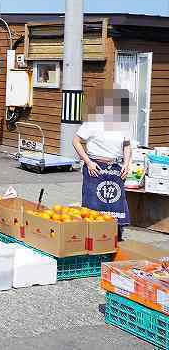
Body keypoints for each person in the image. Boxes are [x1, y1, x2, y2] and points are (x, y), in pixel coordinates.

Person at [72, 88, 132, 241]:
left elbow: (127, 145)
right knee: (93, 205)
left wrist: (126, 163)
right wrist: (88, 162)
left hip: (115, 169)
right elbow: (76, 141)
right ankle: (91, 238)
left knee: (115, 204)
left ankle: (115, 238)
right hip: (96, 167)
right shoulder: (93, 122)